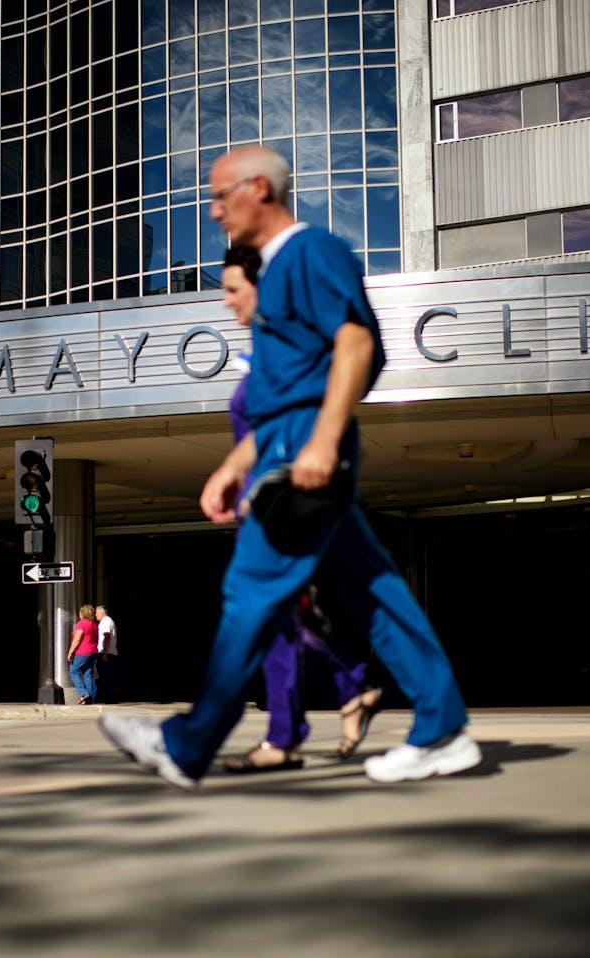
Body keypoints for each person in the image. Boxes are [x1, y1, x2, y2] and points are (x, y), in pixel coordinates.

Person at [99, 144, 480, 787]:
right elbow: (282, 389)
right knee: (374, 590)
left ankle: (189, 744)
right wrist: (233, 464)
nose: (214, 210)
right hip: (288, 441)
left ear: (259, 190)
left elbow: (357, 342)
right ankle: (442, 728)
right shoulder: (275, 273)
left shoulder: (310, 252)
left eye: (221, 195)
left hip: (306, 445)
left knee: (250, 591)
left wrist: (324, 441)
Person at [217, 243, 383, 774]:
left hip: (284, 505)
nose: (226, 302)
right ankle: (352, 687)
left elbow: (293, 423)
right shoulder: (265, 354)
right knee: (290, 619)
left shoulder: (290, 355)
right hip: (265, 505)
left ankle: (286, 735)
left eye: (233, 289)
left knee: (273, 620)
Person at [67, 604, 99, 705]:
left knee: (73, 671)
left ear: (83, 613)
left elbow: (77, 639)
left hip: (82, 652)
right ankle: (90, 699)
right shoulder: (94, 625)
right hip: (93, 652)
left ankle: (84, 692)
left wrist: (70, 652)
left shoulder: (82, 624)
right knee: (87, 674)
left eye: (80, 612)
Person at [95, 604, 119, 703]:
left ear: (101, 612)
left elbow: (107, 637)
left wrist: (104, 653)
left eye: (96, 612)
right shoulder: (108, 621)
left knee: (106, 676)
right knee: (107, 676)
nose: (95, 614)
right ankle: (110, 698)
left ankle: (109, 698)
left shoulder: (105, 621)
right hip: (109, 652)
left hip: (107, 653)